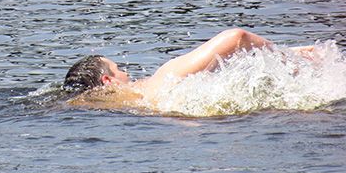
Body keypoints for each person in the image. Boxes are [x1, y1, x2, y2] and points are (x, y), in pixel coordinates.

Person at [60, 28, 321, 107]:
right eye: (119, 69)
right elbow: (237, 37)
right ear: (108, 81)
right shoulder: (163, 79)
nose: (126, 72)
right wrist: (289, 56)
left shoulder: (131, 107)